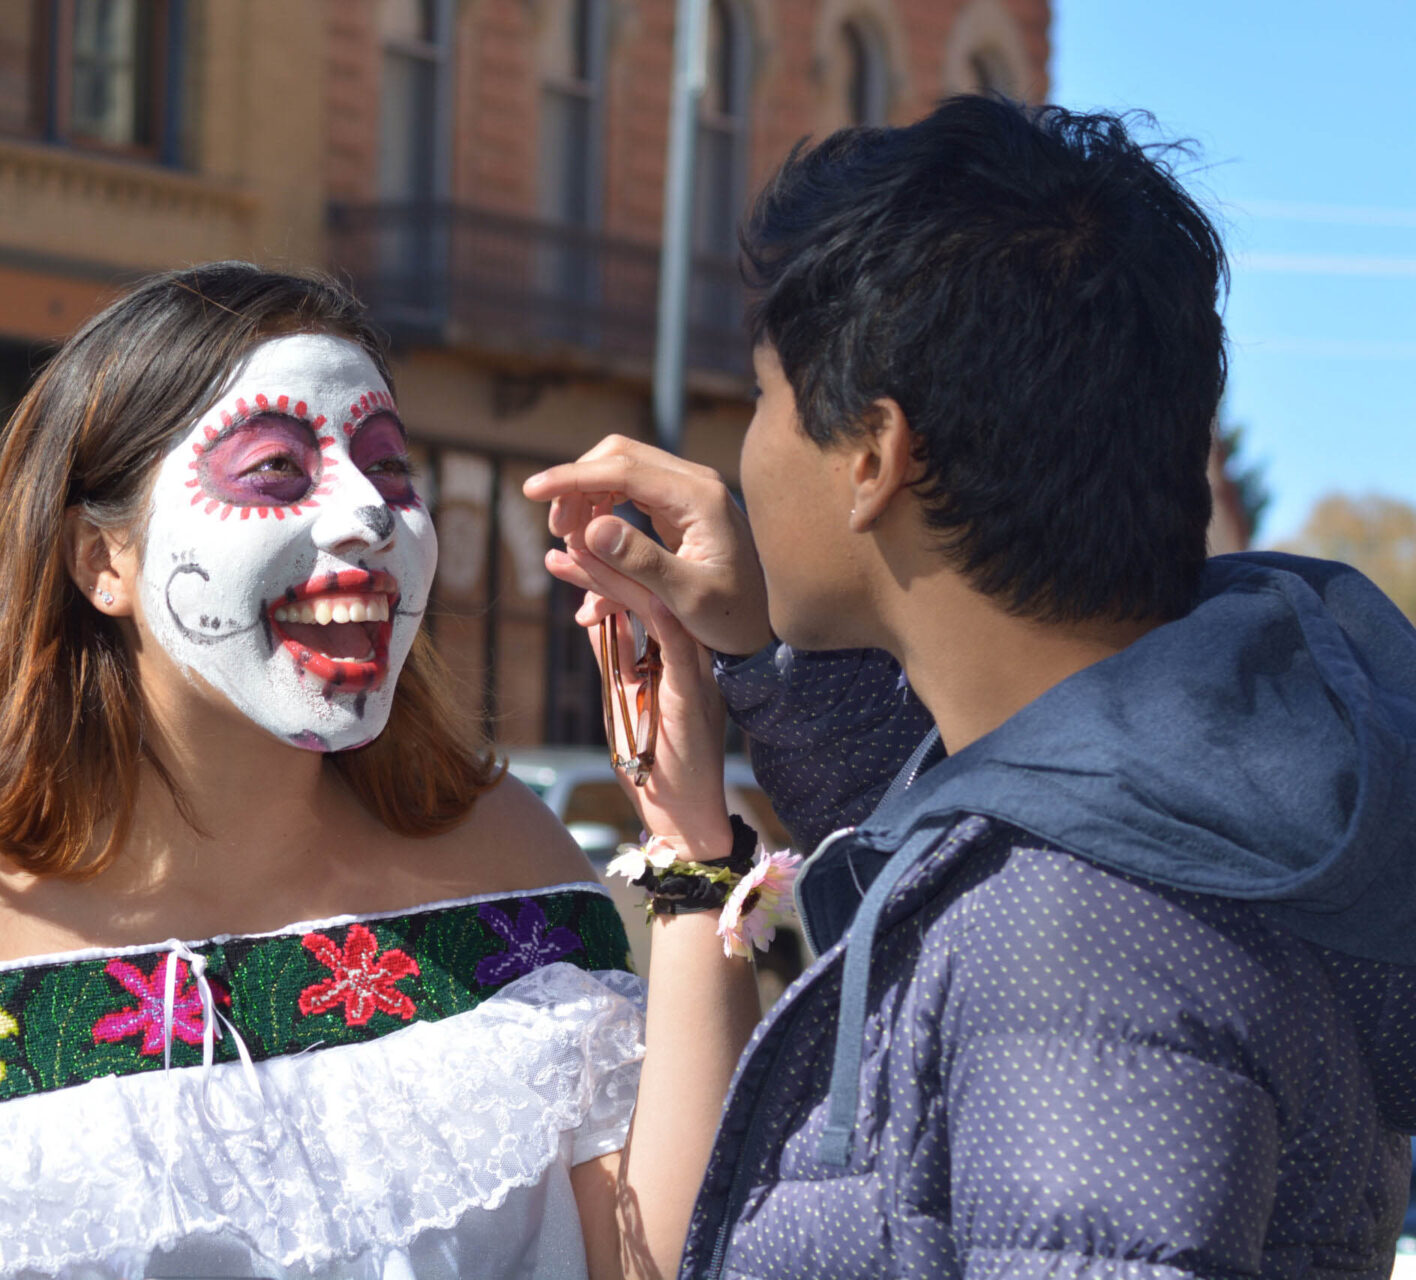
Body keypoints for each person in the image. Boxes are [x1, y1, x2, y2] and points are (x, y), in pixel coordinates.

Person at [0, 264, 762, 1280]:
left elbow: (662, 1256)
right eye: (275, 470)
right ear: (101, 559)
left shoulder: (497, 857)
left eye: (387, 466)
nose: (368, 513)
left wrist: (699, 851)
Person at [528, 96, 1416, 1278]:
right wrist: (757, 649)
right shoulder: (1172, 807)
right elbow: (985, 839)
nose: (741, 452)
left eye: (760, 399)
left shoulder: (1078, 948)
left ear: (873, 456)